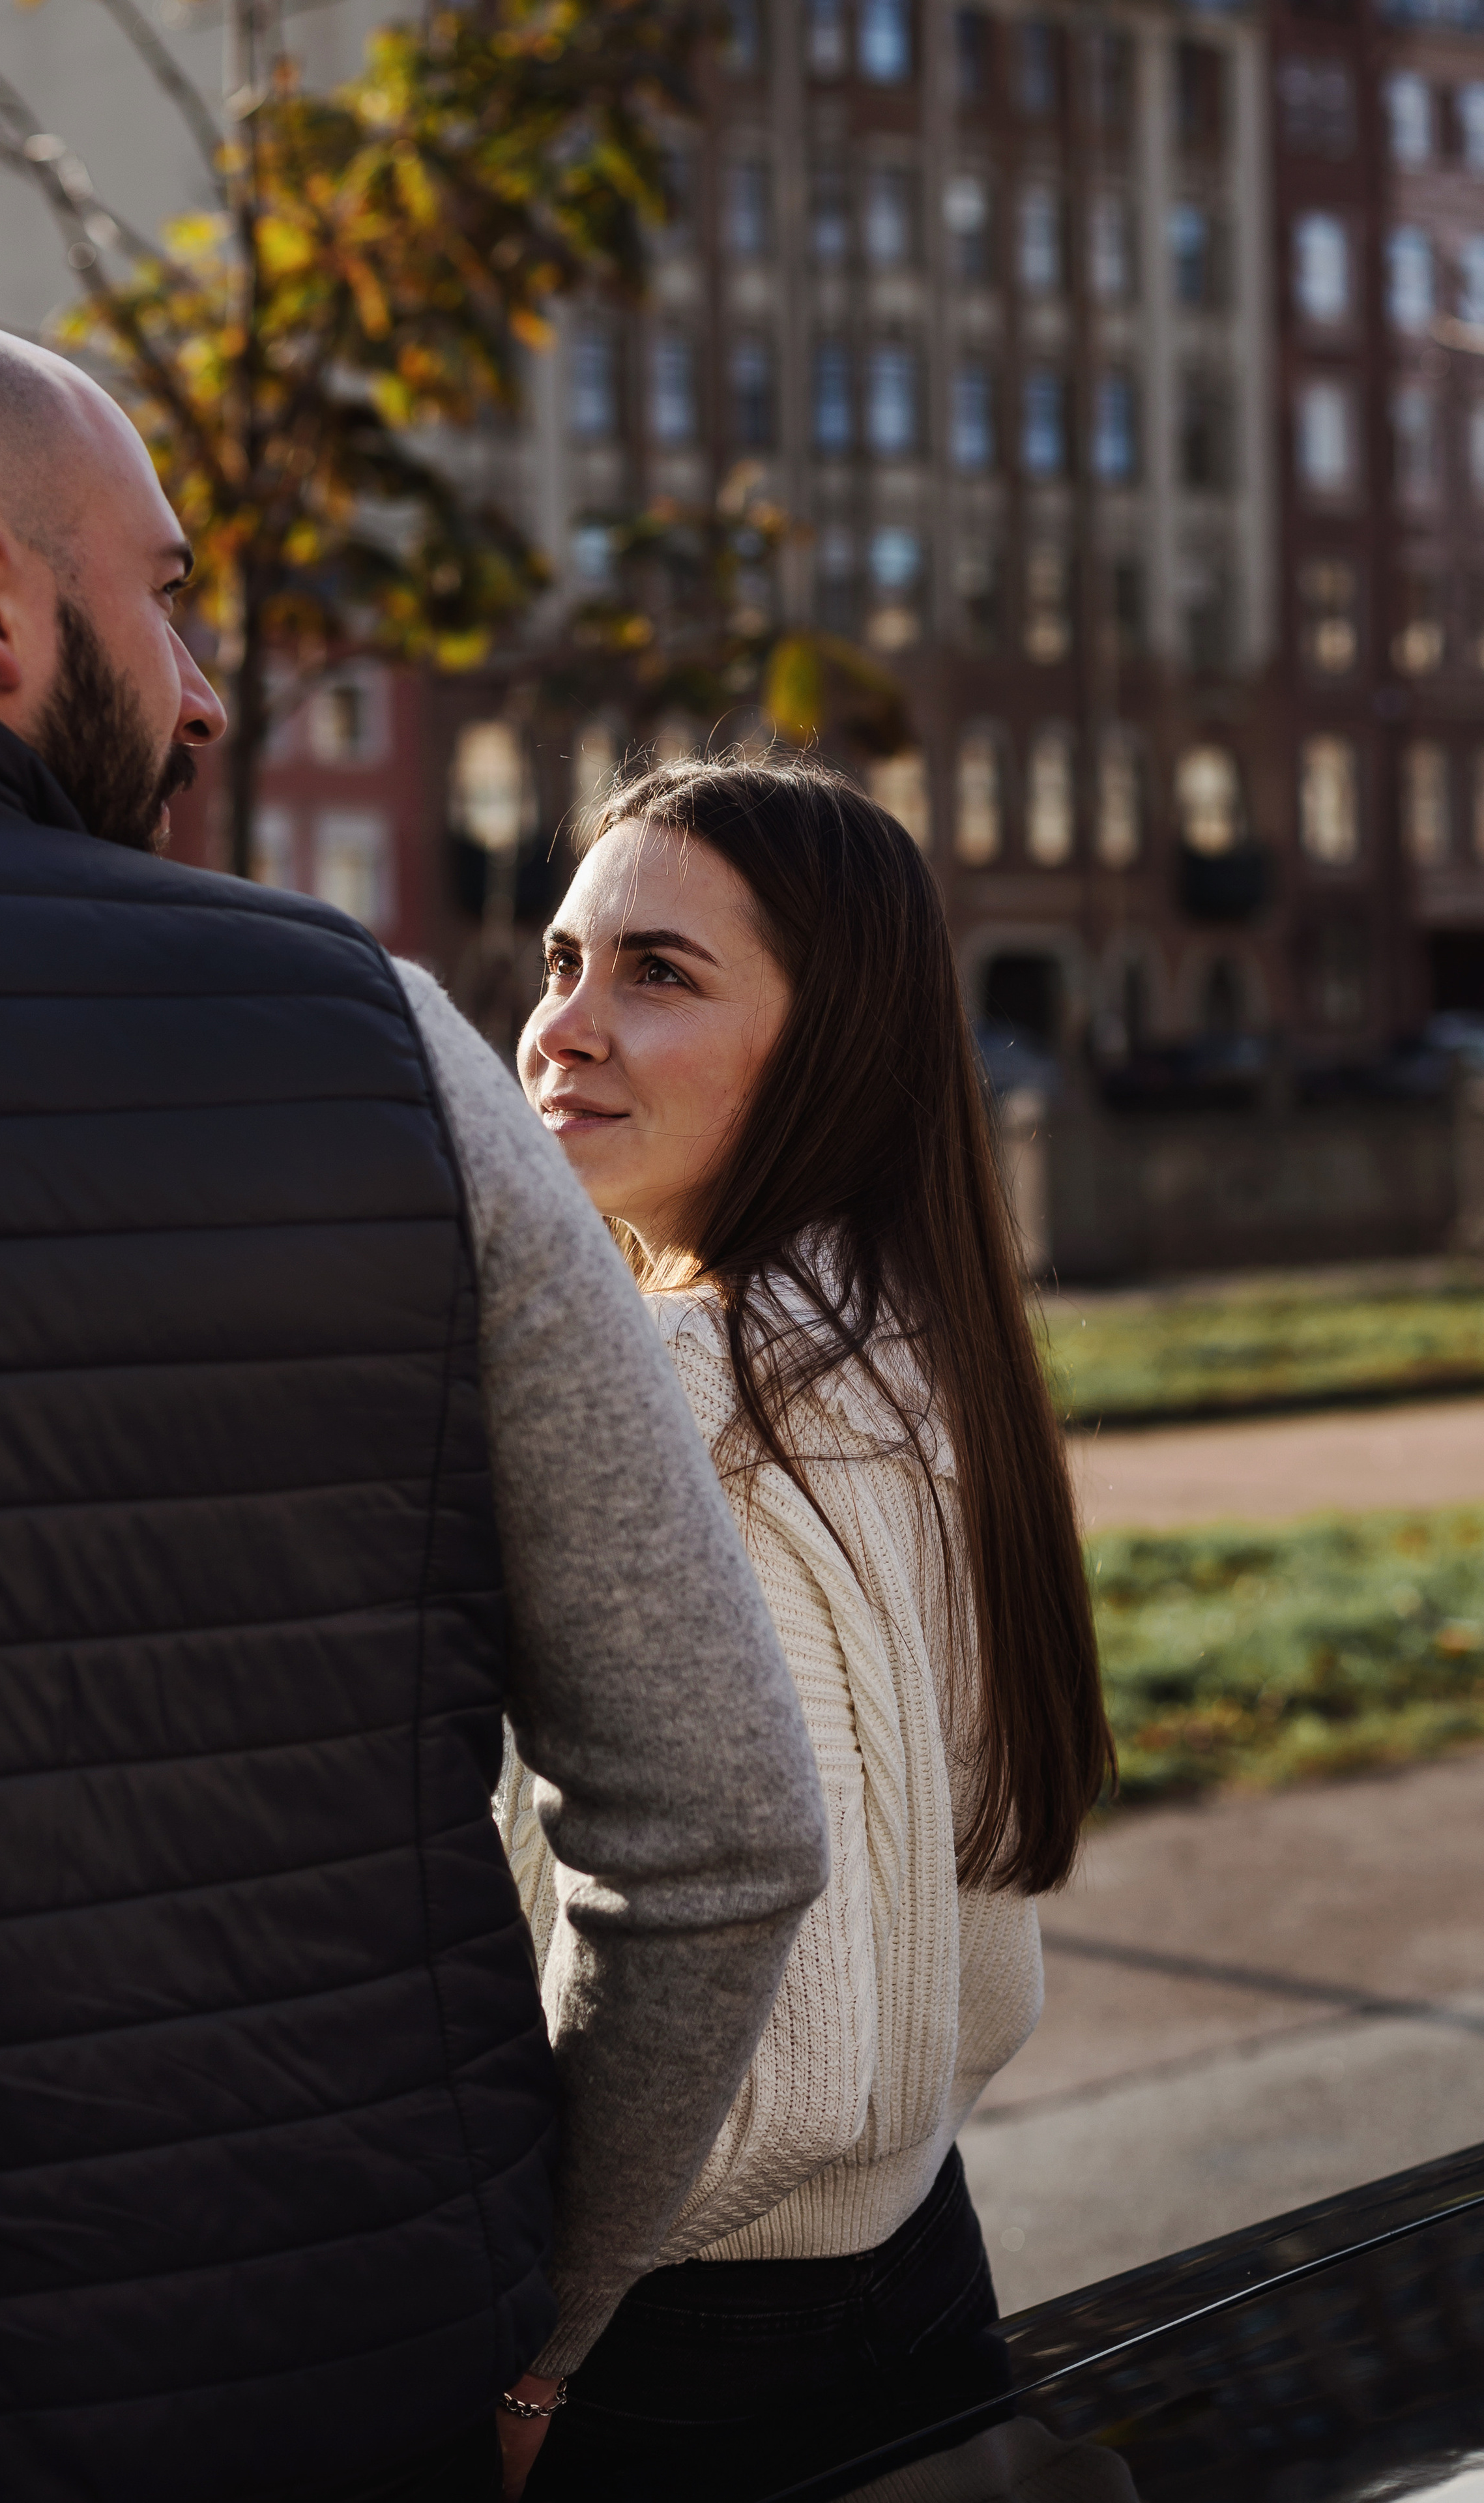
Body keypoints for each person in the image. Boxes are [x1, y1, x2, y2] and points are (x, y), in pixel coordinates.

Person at [0, 308, 829, 2503]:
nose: (197, 692)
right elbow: (728, 1825)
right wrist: (534, 2318)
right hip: (351, 2394)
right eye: (166, 595)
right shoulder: (369, 1041)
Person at [507, 757, 1118, 2500]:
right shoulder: (928, 1358)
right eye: (562, 962)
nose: (564, 1027)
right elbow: (984, 1984)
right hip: (923, 2267)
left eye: (659, 974)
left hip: (670, 2353)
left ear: (830, 1048)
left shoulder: (685, 1402)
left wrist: (546, 2339)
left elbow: (787, 2078)